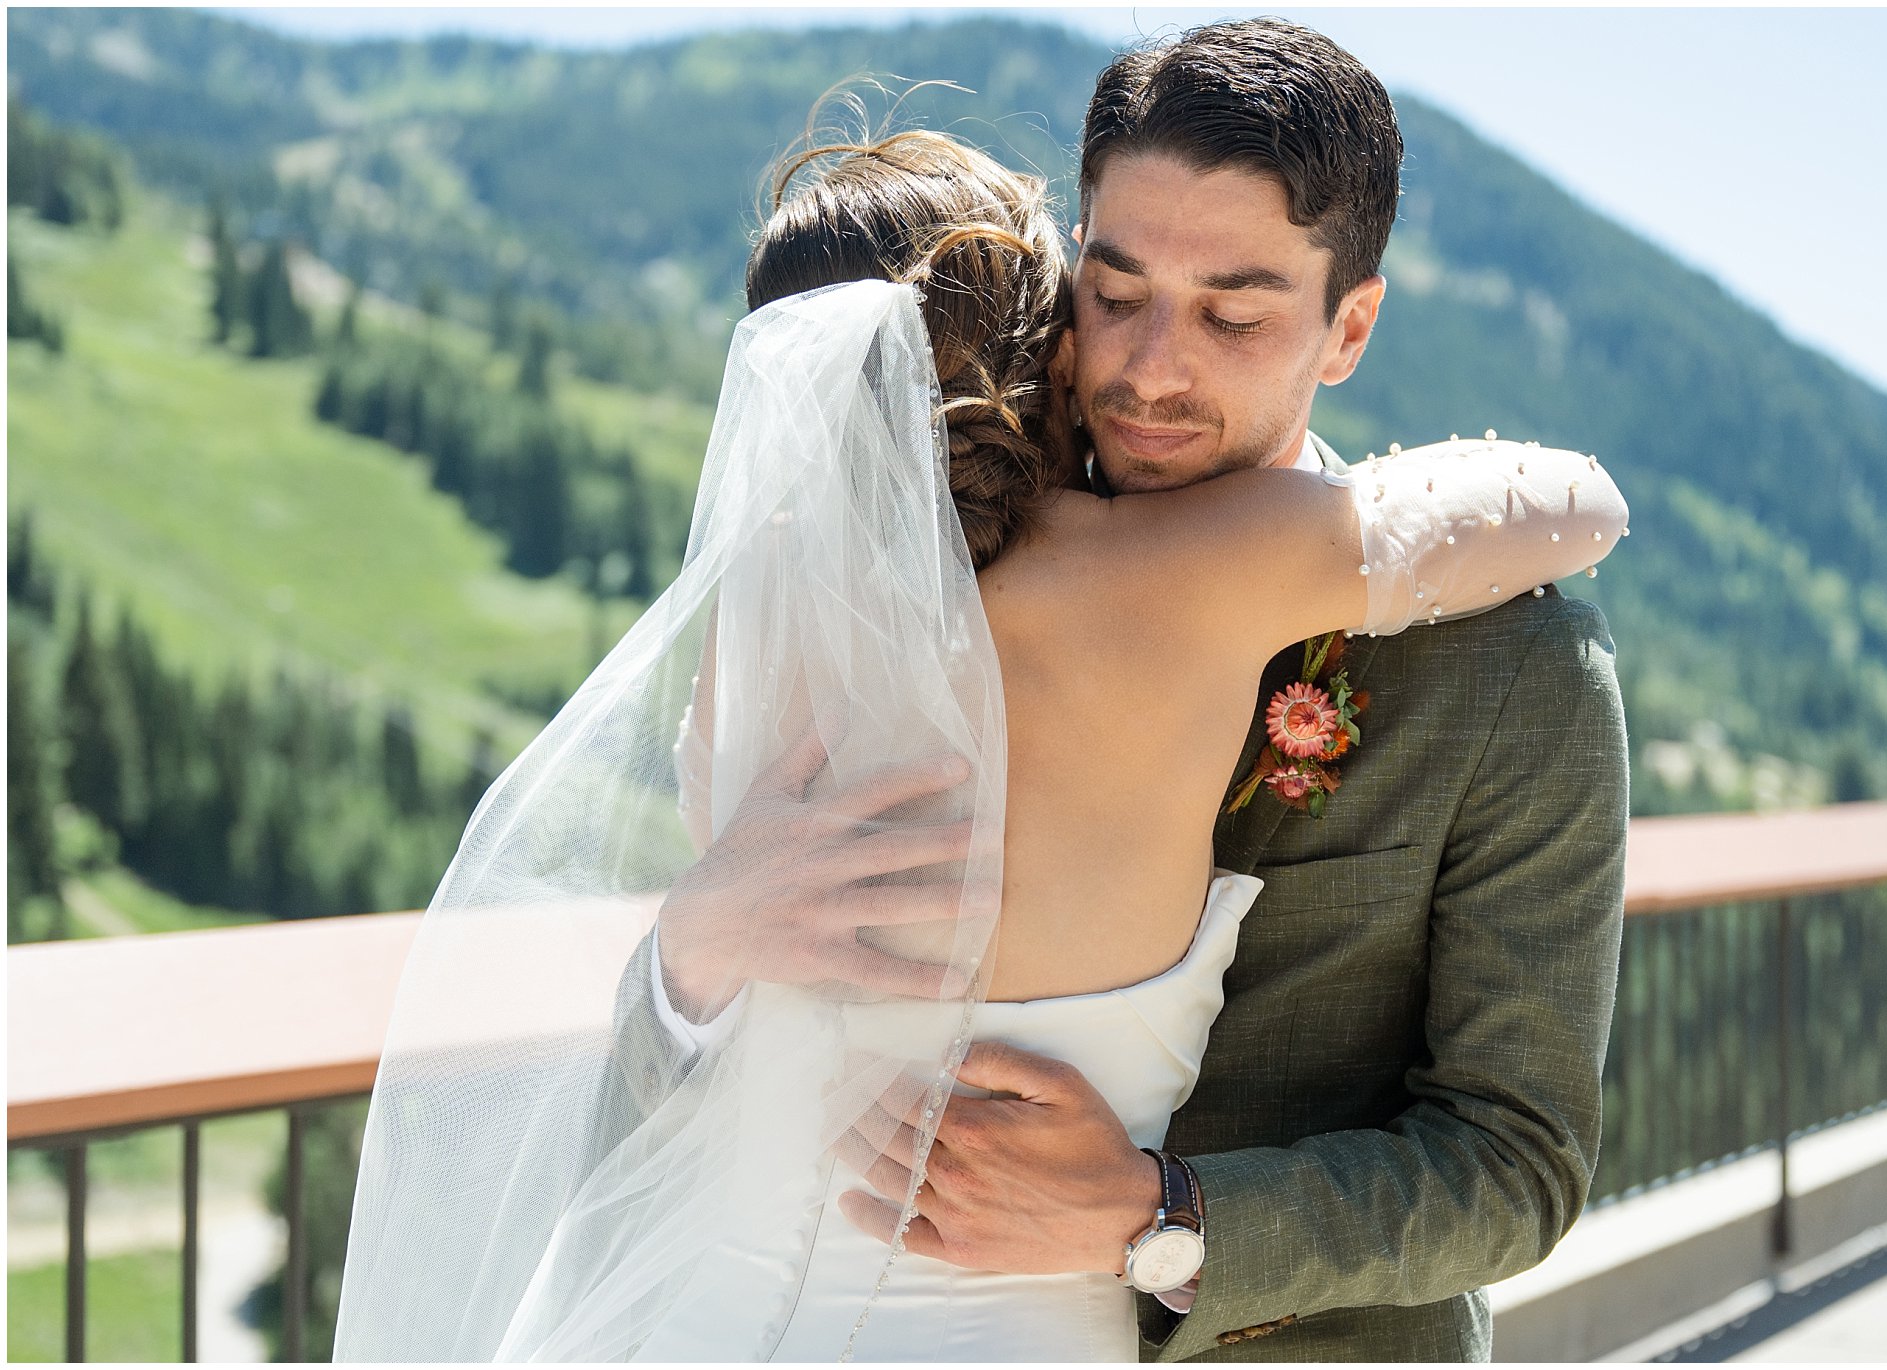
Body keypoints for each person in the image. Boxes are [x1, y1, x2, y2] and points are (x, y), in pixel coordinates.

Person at [333, 21, 1626, 1364]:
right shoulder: (862, 586)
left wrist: (1166, 1215)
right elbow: (680, 1113)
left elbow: (1515, 1162)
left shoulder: (1512, 671)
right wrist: (689, 961)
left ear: (1348, 324)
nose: (1151, 366)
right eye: (1114, 292)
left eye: (1232, 312)